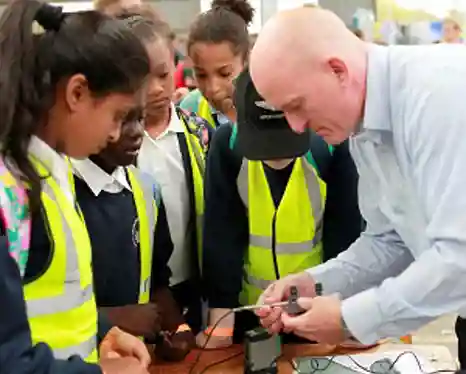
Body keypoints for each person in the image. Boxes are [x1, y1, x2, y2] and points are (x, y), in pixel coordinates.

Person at [248, 6, 466, 357]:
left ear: (338, 70)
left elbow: (460, 258)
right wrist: (314, 284)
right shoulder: (363, 126)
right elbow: (391, 241)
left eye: (297, 105)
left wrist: (350, 317)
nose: (295, 126)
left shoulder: (437, 97)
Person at [0, 1, 152, 373]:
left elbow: (52, 299)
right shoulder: (9, 194)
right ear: (77, 93)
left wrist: (103, 330)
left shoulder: (54, 171)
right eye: (117, 115)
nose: (117, 133)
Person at [198, 67, 362, 349]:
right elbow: (221, 235)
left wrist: (344, 317)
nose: (276, 154)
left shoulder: (332, 147)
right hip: (249, 315)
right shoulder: (227, 147)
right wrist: (220, 318)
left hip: (318, 311)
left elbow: (346, 235)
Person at [71, 108, 195, 362]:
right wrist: (111, 319)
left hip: (131, 360)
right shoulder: (51, 195)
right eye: (121, 119)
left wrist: (178, 329)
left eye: (140, 118)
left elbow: (157, 279)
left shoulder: (146, 190)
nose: (137, 132)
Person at [115, 5, 210, 335]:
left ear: (176, 67)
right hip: (139, 295)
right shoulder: (114, 145)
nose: (155, 88)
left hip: (192, 282)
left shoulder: (199, 133)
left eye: (163, 75)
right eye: (143, 78)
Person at [179, 0, 254, 128]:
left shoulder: (272, 107)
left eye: (224, 74)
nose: (213, 88)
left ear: (247, 61)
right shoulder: (190, 109)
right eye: (201, 75)